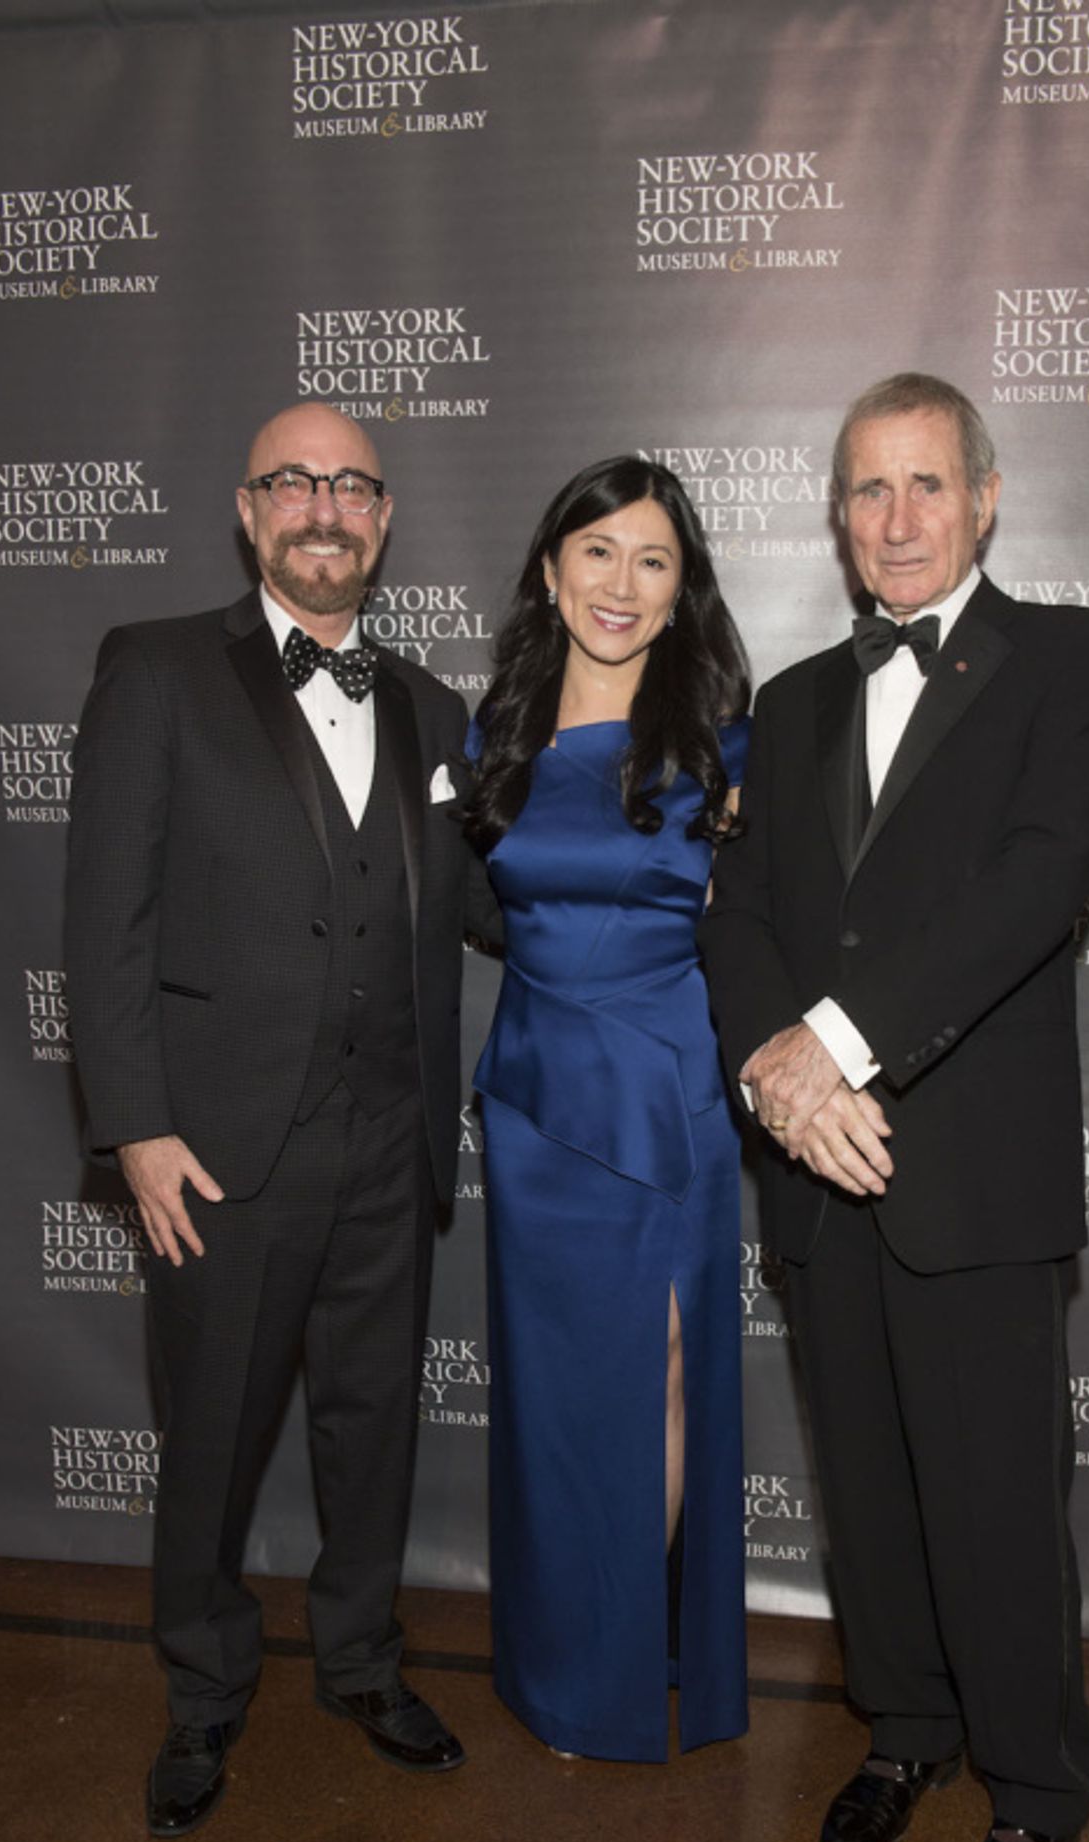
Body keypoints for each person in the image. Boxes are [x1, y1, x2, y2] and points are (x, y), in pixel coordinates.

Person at [700, 374, 1089, 1842]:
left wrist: (837, 1042)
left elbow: (1030, 891)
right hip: (818, 1164)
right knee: (868, 1496)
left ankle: (1034, 1789)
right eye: (868, 491)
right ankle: (906, 1731)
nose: (896, 519)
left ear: (988, 495)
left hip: (970, 1163)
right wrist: (775, 1067)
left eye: (927, 487)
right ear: (835, 513)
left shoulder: (1079, 662)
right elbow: (735, 912)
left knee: (998, 1504)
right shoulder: (794, 698)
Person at [65, 401, 500, 1836]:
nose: (326, 506)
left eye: (354, 486)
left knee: (373, 1426)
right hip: (218, 1150)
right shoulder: (159, 669)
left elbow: (494, 897)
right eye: (295, 483)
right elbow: (104, 918)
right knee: (210, 1439)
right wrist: (133, 1123)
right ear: (249, 513)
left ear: (383, 519)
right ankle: (201, 1694)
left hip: (391, 1139)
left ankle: (363, 1660)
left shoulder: (436, 710)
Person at [464, 456, 752, 1762]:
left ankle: (630, 1653)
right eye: (597, 552)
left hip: (665, 1084)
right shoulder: (495, 733)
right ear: (550, 567)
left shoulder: (719, 747)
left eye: (652, 560)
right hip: (536, 1097)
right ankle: (565, 1658)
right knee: (555, 1388)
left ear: (681, 588)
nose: (620, 584)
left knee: (671, 1364)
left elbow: (754, 930)